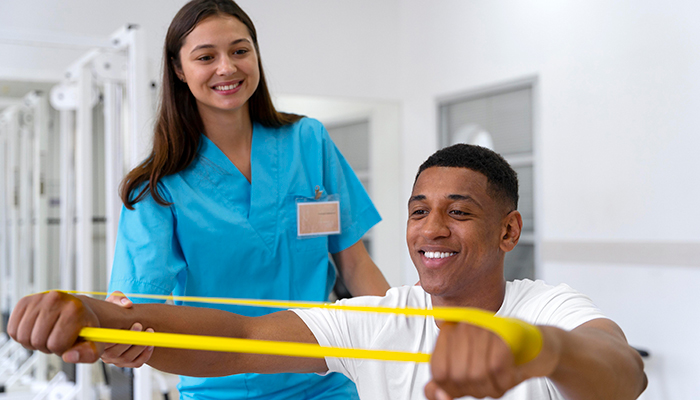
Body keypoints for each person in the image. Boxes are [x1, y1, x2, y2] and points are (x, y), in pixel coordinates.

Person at [8, 144, 647, 400]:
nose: (431, 230)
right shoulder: (382, 322)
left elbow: (624, 372)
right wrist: (104, 315)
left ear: (508, 231)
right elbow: (242, 339)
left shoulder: (543, 308)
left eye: (459, 213)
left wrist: (536, 350)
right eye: (418, 212)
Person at [100, 0, 390, 399]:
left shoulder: (309, 141)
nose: (227, 67)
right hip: (221, 385)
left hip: (327, 375)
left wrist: (403, 339)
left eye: (240, 50)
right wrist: (119, 335)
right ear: (179, 70)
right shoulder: (157, 186)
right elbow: (136, 307)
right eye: (206, 56)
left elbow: (354, 263)